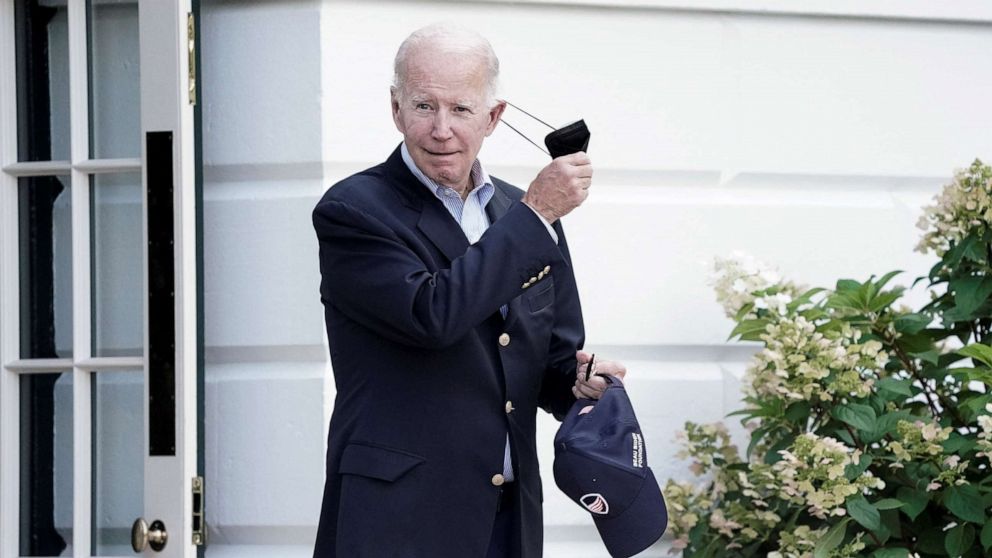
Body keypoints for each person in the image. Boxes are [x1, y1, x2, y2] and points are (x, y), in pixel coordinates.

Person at [311, 23, 626, 558]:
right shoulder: (354, 210)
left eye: (460, 109)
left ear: (494, 117)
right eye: (423, 106)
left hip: (508, 520)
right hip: (399, 521)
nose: (440, 129)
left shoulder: (517, 211)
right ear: (395, 109)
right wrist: (538, 214)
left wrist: (580, 383)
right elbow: (432, 314)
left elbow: (549, 363)